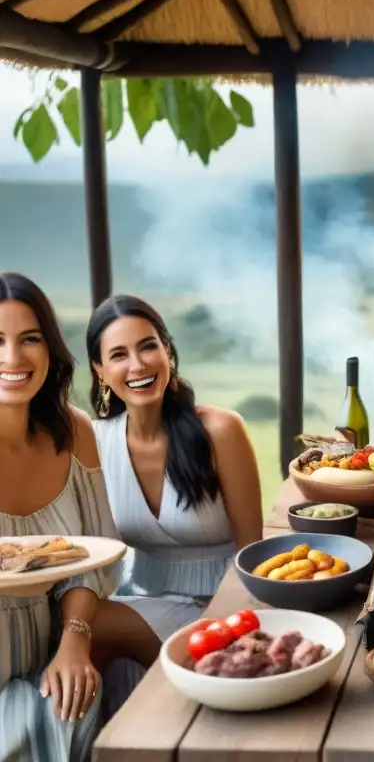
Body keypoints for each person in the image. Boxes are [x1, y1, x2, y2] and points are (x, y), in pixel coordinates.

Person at [85, 295, 262, 713]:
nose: (138, 365)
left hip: (217, 607)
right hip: (137, 602)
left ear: (167, 350)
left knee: (91, 625)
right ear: (99, 370)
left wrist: (235, 624)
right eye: (119, 355)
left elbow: (252, 552)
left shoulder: (220, 430)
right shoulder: (94, 442)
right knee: (82, 636)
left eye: (148, 346)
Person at [0, 272, 120, 762]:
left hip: (51, 642)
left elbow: (96, 556)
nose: (13, 358)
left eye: (29, 339)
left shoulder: (74, 430)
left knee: (80, 704)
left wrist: (74, 641)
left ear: (50, 348)